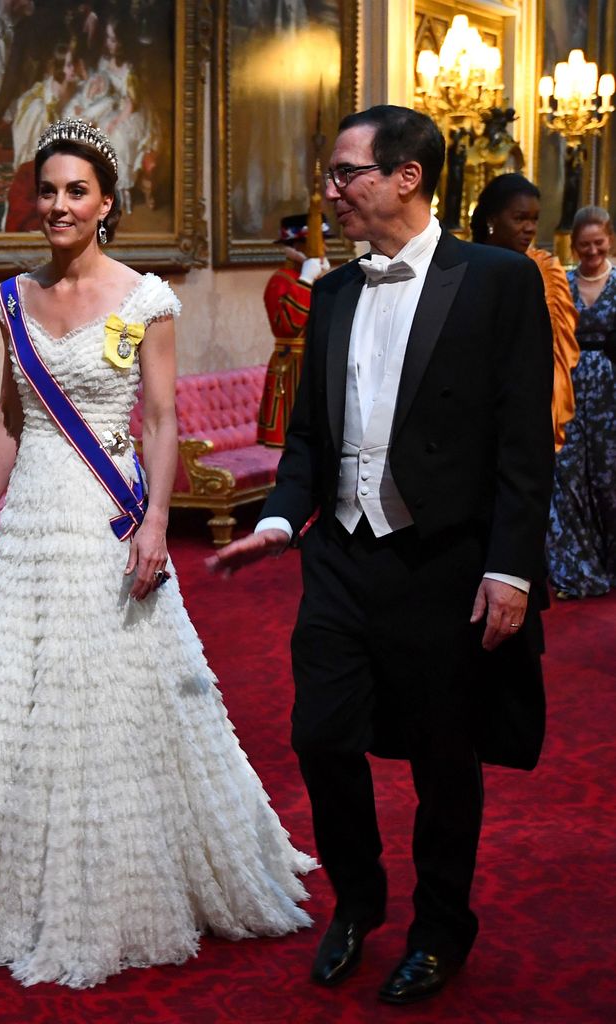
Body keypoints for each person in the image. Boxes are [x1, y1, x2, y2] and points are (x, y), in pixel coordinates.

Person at [0, 117, 315, 989]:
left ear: (106, 204)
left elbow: (160, 419)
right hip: (32, 527)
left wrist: (156, 521)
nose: (59, 205)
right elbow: (9, 418)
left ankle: (124, 880)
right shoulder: (12, 299)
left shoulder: (144, 299)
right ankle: (9, 884)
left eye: (76, 191)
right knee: (14, 697)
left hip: (107, 516)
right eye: (47, 190)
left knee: (107, 686)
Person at [212, 105, 554, 1005]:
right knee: (319, 735)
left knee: (445, 758)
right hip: (341, 557)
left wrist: (511, 569)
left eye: (346, 173)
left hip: (444, 563)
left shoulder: (498, 280)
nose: (330, 190)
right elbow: (307, 441)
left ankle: (440, 929)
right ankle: (357, 902)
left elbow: (525, 441)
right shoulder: (331, 293)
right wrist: (280, 520)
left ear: (407, 176)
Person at [471, 173, 580, 451]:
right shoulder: (466, 268)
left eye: (535, 219)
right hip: (475, 399)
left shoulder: (545, 269)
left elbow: (556, 351)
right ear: (492, 219)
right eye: (520, 219)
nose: (530, 228)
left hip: (528, 402)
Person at [547, 206, 616, 598]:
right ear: (573, 245)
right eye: (585, 245)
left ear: (610, 241)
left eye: (599, 243)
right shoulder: (563, 284)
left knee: (608, 479)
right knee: (568, 477)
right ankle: (578, 569)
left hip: (610, 390)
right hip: (568, 389)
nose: (592, 251)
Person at [258, 213, 331, 447]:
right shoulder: (281, 280)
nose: (324, 248)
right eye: (318, 242)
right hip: (293, 366)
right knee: (296, 440)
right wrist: (306, 281)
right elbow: (288, 326)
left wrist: (327, 281)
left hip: (317, 360)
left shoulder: (319, 278)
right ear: (297, 246)